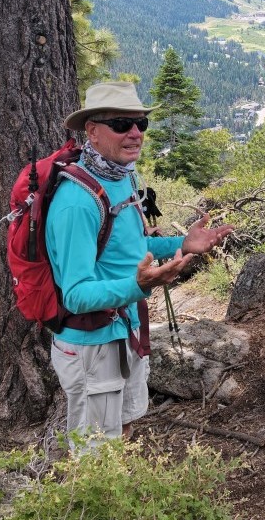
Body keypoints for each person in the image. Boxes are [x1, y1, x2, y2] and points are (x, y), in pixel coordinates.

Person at [46, 81, 234, 451]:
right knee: (95, 453)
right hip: (92, 346)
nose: (134, 133)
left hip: (124, 330)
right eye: (121, 124)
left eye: (140, 125)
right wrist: (141, 286)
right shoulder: (76, 202)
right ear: (93, 132)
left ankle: (124, 499)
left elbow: (130, 248)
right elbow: (77, 293)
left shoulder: (120, 177)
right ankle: (95, 509)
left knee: (126, 427)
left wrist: (181, 244)